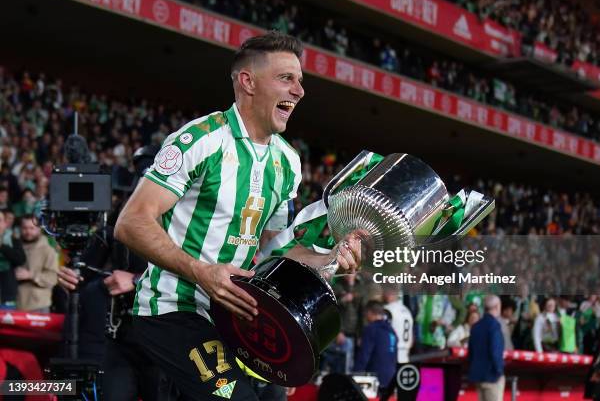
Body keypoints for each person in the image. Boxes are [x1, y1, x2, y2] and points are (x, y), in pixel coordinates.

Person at [114, 31, 362, 401]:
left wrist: (328, 259)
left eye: (300, 81)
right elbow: (130, 223)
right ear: (247, 82)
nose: (299, 91)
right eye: (286, 78)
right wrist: (201, 272)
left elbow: (273, 254)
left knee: (274, 395)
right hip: (173, 310)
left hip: (236, 317)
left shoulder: (287, 163)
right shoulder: (200, 139)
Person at [57, 144, 179, 401]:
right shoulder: (116, 226)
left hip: (165, 343)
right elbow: (80, 274)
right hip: (121, 341)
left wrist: (136, 280)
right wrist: (69, 276)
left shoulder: (184, 226)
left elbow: (193, 275)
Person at [353, 301, 397, 401]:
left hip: (374, 379)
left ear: (370, 312)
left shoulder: (370, 329)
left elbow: (364, 356)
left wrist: (355, 375)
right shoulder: (392, 331)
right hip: (391, 378)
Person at [15, 214, 58, 312]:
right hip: (16, 304)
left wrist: (31, 275)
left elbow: (53, 279)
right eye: (25, 228)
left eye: (31, 228)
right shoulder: (15, 246)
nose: (28, 231)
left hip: (38, 305)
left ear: (39, 229)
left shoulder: (48, 250)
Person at [467, 295, 505, 401]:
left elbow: (471, 353)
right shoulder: (494, 326)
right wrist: (499, 371)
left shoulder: (476, 326)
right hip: (492, 376)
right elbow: (495, 351)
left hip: (478, 375)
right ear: (497, 307)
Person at [0, 210, 26, 308]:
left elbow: (20, 259)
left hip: (7, 295)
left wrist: (2, 246)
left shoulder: (13, 239)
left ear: (5, 224)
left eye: (0, 220)